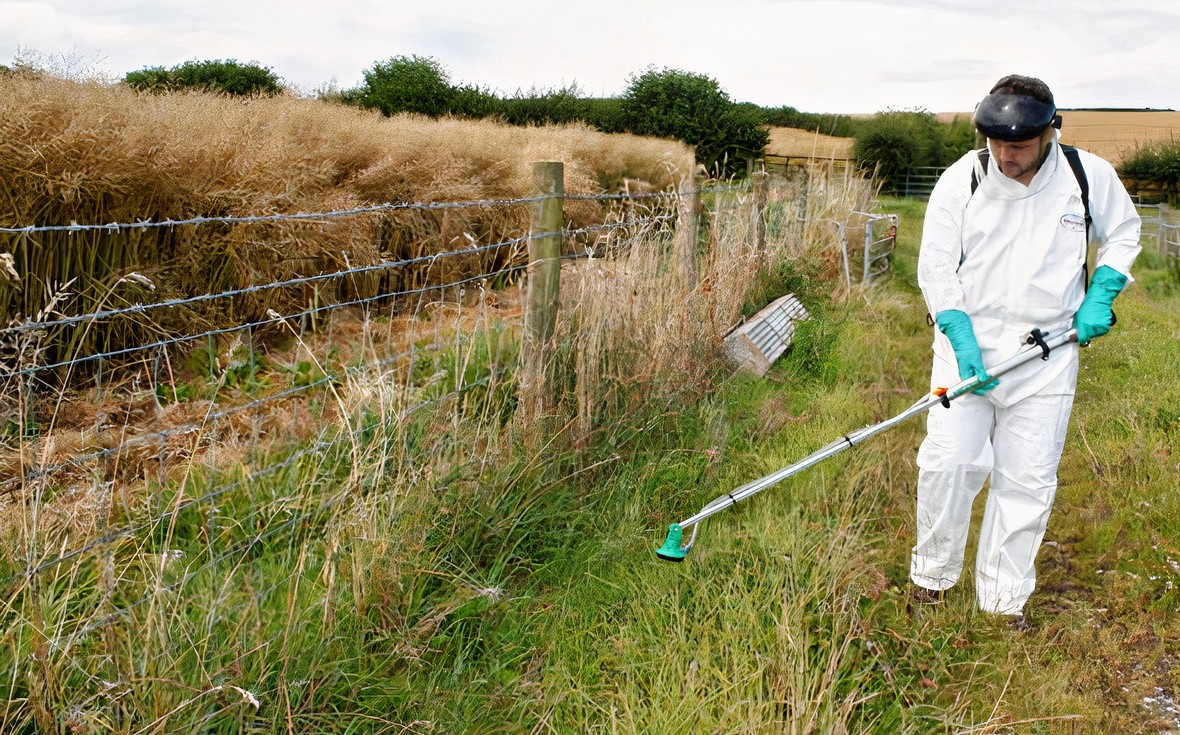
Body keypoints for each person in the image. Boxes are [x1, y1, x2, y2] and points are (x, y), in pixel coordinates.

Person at [909, 74, 1142, 626]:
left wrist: (1102, 292)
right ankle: (931, 578)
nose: (1006, 157)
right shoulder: (961, 179)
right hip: (966, 348)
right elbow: (936, 265)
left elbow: (1125, 234)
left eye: (1018, 146)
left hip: (1047, 355)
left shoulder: (1087, 177)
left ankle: (1002, 600)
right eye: (996, 144)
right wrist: (959, 337)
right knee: (949, 465)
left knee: (1027, 480)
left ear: (1049, 134)